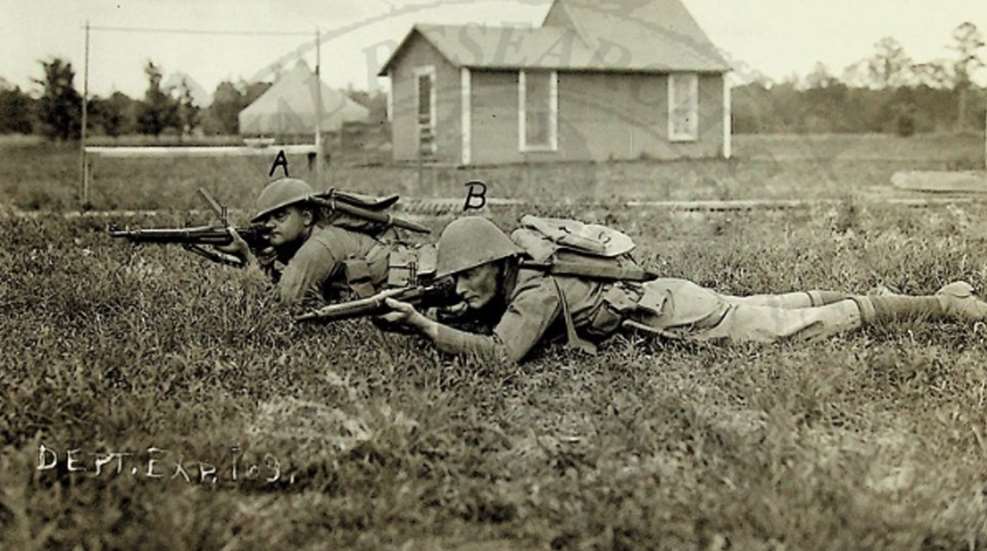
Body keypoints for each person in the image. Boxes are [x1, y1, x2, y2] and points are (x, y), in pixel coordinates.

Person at [381, 216, 987, 363]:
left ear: (499, 264)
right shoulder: (527, 276)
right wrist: (451, 308)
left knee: (790, 326)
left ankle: (942, 305)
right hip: (670, 292)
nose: (459, 286)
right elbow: (489, 318)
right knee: (773, 304)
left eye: (466, 274)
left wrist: (424, 326)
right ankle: (919, 295)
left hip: (673, 312)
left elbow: (500, 355)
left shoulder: (534, 295)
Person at [218, 177, 391, 309]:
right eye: (265, 219)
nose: (270, 225)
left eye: (280, 216)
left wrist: (247, 257)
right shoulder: (323, 236)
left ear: (307, 217)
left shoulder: (317, 248)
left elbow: (279, 309)